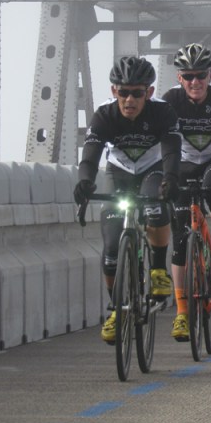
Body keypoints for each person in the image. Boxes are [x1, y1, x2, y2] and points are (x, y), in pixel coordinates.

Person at [73, 56, 181, 344]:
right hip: (119, 172)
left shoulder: (163, 113)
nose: (129, 99)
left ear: (149, 92)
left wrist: (171, 179)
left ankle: (158, 267)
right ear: (114, 92)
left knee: (156, 207)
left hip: (152, 169)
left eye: (137, 92)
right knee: (110, 249)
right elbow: (92, 151)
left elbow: (171, 151)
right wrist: (85, 180)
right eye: (123, 92)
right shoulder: (104, 116)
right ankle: (116, 309)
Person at [162, 43, 211, 342]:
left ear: (210, 75)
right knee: (181, 243)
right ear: (180, 78)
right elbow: (165, 142)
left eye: (201, 76)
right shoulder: (170, 100)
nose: (195, 82)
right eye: (188, 76)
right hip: (183, 162)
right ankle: (182, 313)